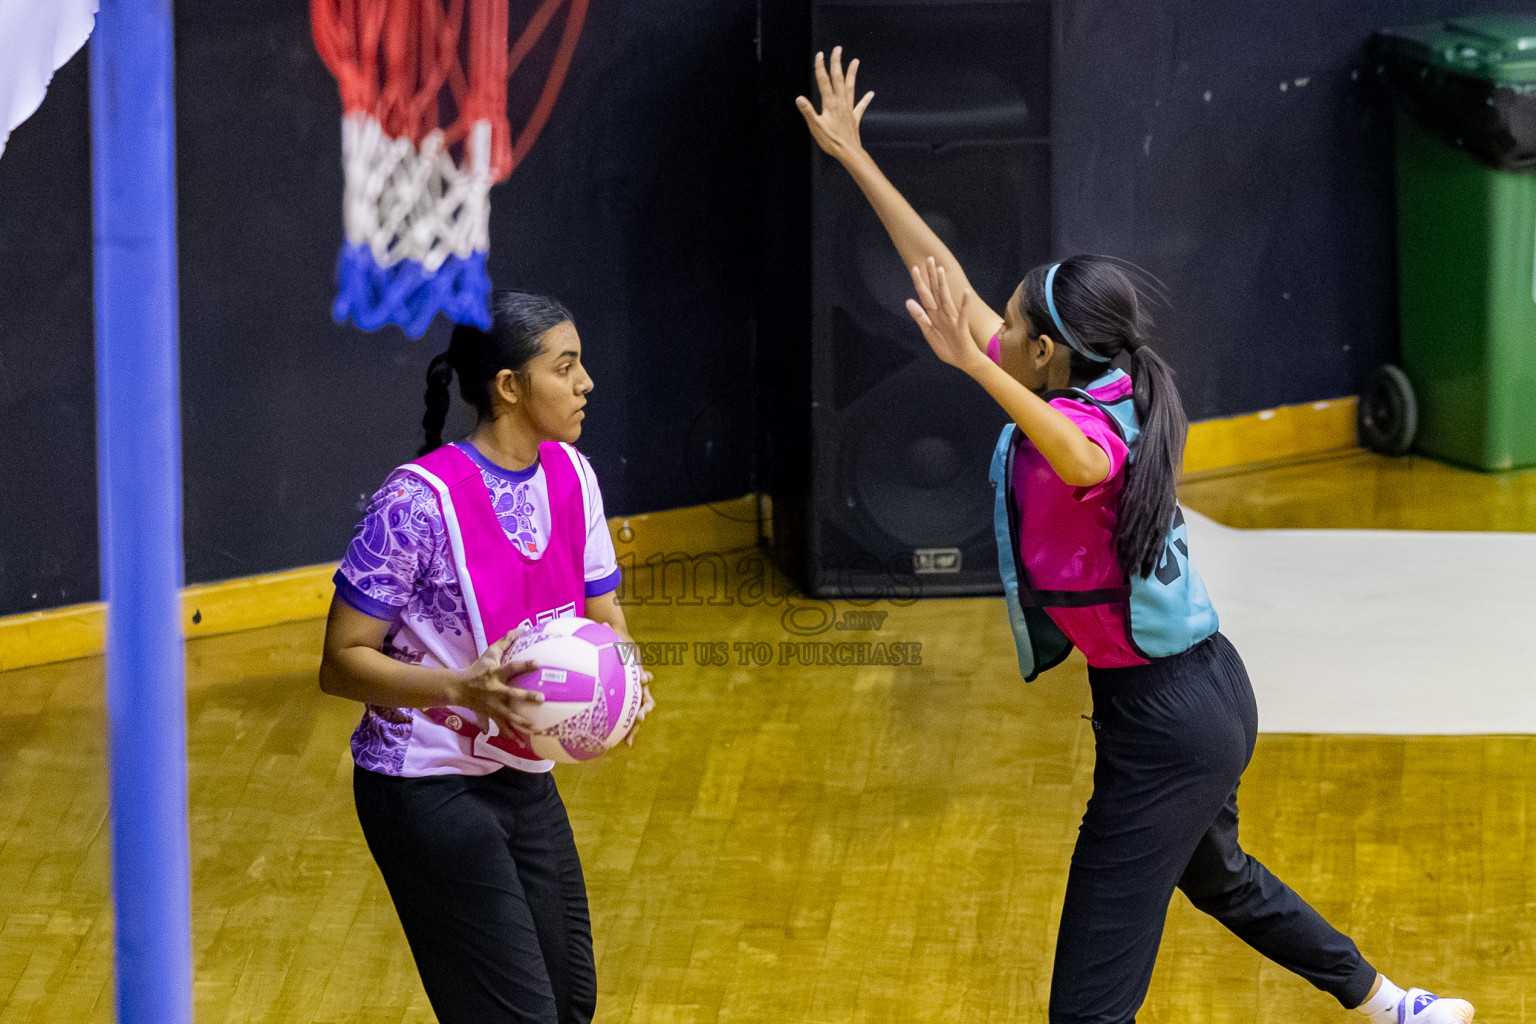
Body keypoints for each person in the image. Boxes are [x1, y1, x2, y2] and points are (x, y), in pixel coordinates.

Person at [797, 47, 1475, 1024]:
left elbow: (1077, 461)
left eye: (1013, 328)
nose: (998, 331)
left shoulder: (1091, 424)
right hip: (1192, 697)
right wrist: (858, 158)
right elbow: (941, 280)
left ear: (1046, 351)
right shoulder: (1085, 377)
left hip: (1168, 719)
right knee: (1223, 880)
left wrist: (973, 371)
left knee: (1089, 994)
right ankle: (1388, 1003)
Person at [318, 290, 653, 1024]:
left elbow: (604, 617)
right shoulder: (416, 502)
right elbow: (340, 661)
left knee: (571, 1007)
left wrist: (625, 683)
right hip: (424, 782)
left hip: (522, 773)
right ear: (509, 386)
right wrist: (461, 690)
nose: (586, 382)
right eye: (566, 367)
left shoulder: (573, 477)